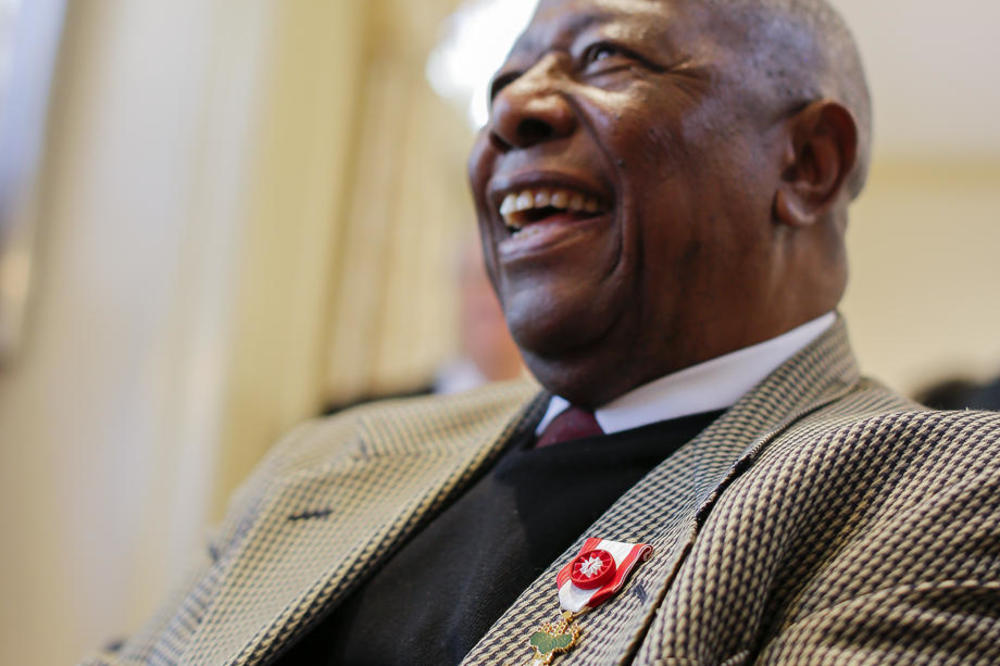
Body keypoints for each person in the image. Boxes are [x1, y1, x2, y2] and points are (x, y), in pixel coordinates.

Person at [86, 0, 1000, 664]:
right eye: (503, 83)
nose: (512, 111)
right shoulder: (331, 456)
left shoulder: (940, 491)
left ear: (806, 163)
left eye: (605, 59)